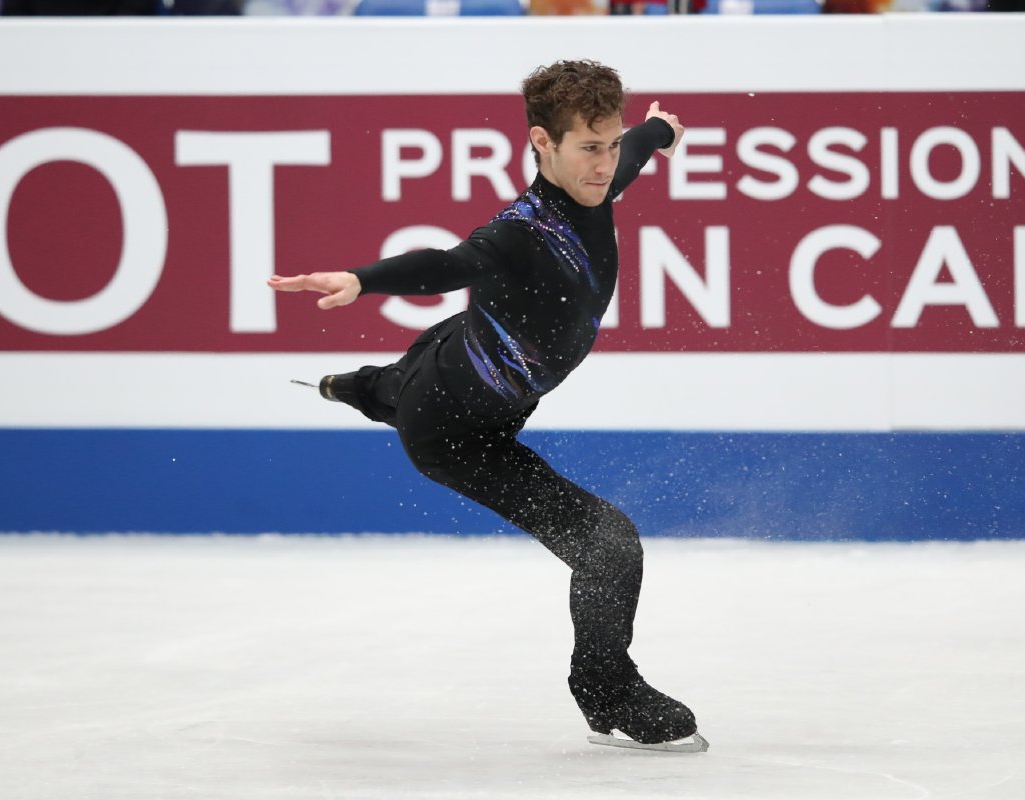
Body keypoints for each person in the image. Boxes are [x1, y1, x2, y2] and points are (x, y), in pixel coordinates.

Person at [268, 60, 704, 751]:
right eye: (590, 147)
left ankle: (354, 387)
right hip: (454, 432)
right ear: (542, 143)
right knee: (609, 546)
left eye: (612, 144)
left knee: (393, 385)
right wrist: (361, 278)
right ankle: (606, 690)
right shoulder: (519, 233)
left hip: (458, 361)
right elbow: (446, 264)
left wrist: (659, 132)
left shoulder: (598, 180)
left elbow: (638, 150)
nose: (605, 164)